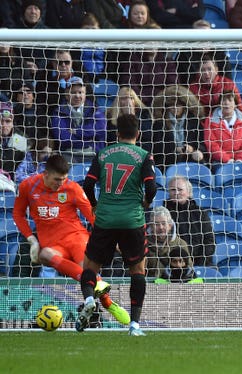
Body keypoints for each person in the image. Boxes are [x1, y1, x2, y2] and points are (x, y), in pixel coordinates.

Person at [13, 153, 130, 326]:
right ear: (45, 174)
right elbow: (18, 214)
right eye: (57, 179)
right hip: (52, 243)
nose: (61, 183)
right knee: (44, 255)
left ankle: (107, 303)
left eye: (64, 179)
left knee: (87, 269)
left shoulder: (72, 188)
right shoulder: (28, 186)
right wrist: (32, 240)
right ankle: (102, 295)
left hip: (76, 237)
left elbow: (91, 215)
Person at [76, 114, 157, 336]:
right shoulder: (143, 156)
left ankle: (90, 299)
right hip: (132, 220)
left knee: (91, 268)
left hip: (105, 219)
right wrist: (146, 203)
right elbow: (151, 188)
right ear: (137, 134)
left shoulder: (102, 154)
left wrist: (94, 205)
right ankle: (134, 325)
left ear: (117, 133)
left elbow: (88, 184)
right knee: (138, 271)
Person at [146, 85, 206, 172]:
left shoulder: (194, 122)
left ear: (184, 105)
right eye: (171, 105)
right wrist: (174, 150)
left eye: (178, 105)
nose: (175, 108)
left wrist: (193, 149)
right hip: (168, 160)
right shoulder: (160, 124)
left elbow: (202, 143)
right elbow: (157, 148)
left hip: (191, 157)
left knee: (199, 157)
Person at [50, 76, 107, 163]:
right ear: (66, 94)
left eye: (80, 92)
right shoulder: (58, 112)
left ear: (85, 94)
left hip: (94, 153)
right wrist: (89, 139)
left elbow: (101, 130)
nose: (77, 96)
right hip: (69, 154)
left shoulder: (95, 109)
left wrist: (76, 131)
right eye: (73, 92)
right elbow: (63, 138)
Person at [164, 175, 215, 267]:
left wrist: (199, 265)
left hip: (199, 263)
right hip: (171, 263)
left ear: (188, 192)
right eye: (173, 190)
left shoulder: (200, 213)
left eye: (180, 189)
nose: (176, 193)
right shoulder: (163, 213)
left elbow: (209, 241)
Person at [202, 89, 242, 167]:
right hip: (219, 161)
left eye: (230, 100)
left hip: (241, 160)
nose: (226, 103)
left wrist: (239, 160)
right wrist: (227, 160)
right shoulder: (210, 121)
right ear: (220, 104)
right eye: (223, 100)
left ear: (235, 104)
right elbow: (212, 145)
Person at [146, 206, 193, 278]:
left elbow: (189, 270)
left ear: (170, 225)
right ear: (151, 226)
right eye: (156, 224)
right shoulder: (143, 243)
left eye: (163, 223)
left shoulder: (180, 244)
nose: (161, 227)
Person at [0, 101, 28, 178]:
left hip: (11, 182)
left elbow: (22, 168)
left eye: (8, 121)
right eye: (1, 121)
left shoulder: (20, 138)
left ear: (12, 122)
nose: (4, 125)